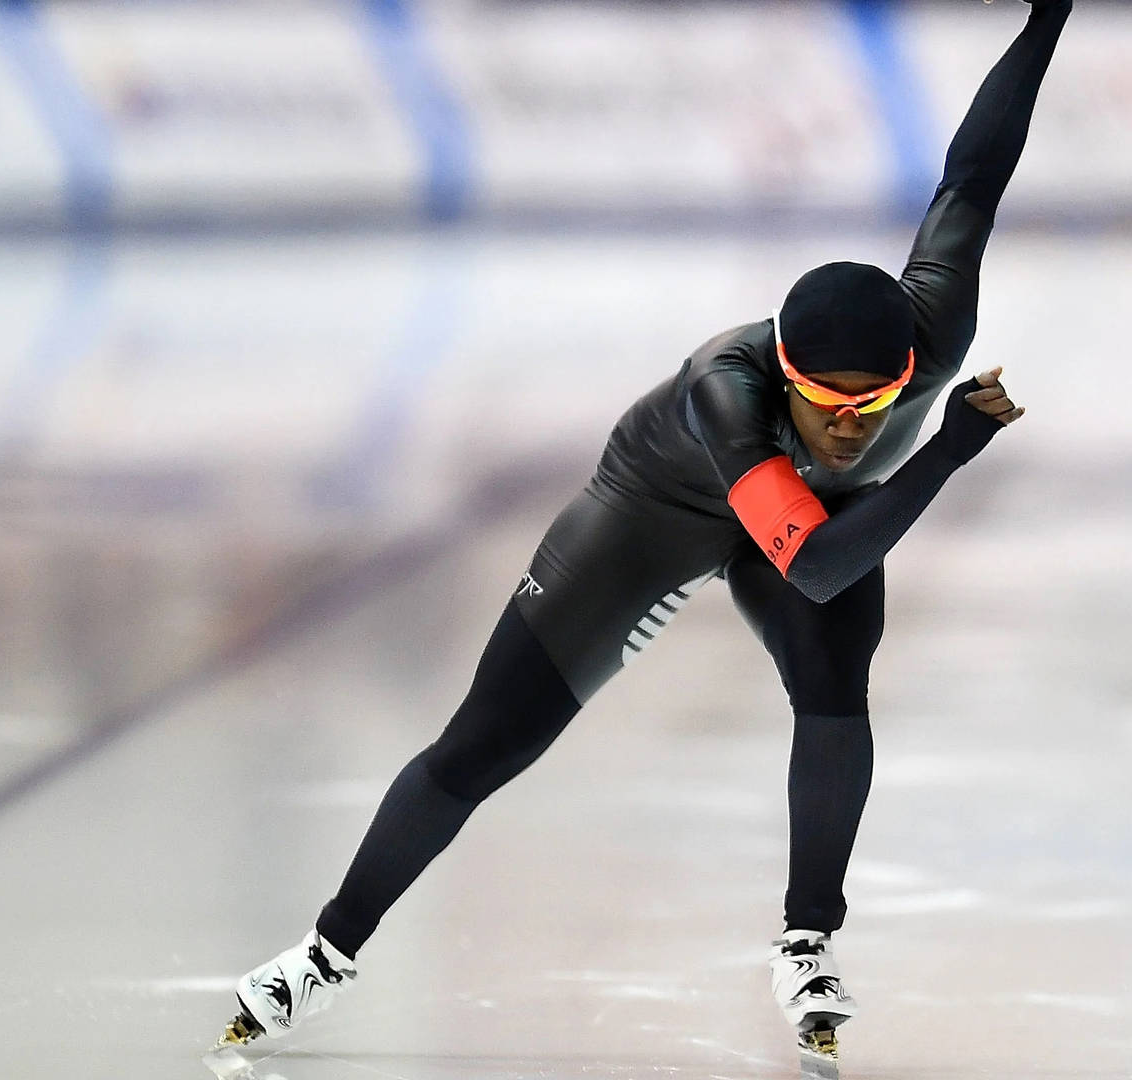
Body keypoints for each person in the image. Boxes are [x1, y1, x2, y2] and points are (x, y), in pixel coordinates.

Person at [217, 0, 1071, 1060]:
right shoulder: (729, 388)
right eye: (828, 405)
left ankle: (808, 939)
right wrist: (942, 448)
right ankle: (325, 952)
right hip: (658, 512)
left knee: (835, 694)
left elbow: (972, 178)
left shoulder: (934, 324)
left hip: (817, 525)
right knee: (483, 746)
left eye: (877, 406)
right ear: (784, 375)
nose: (853, 428)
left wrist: (1048, 16)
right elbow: (809, 566)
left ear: (910, 369)